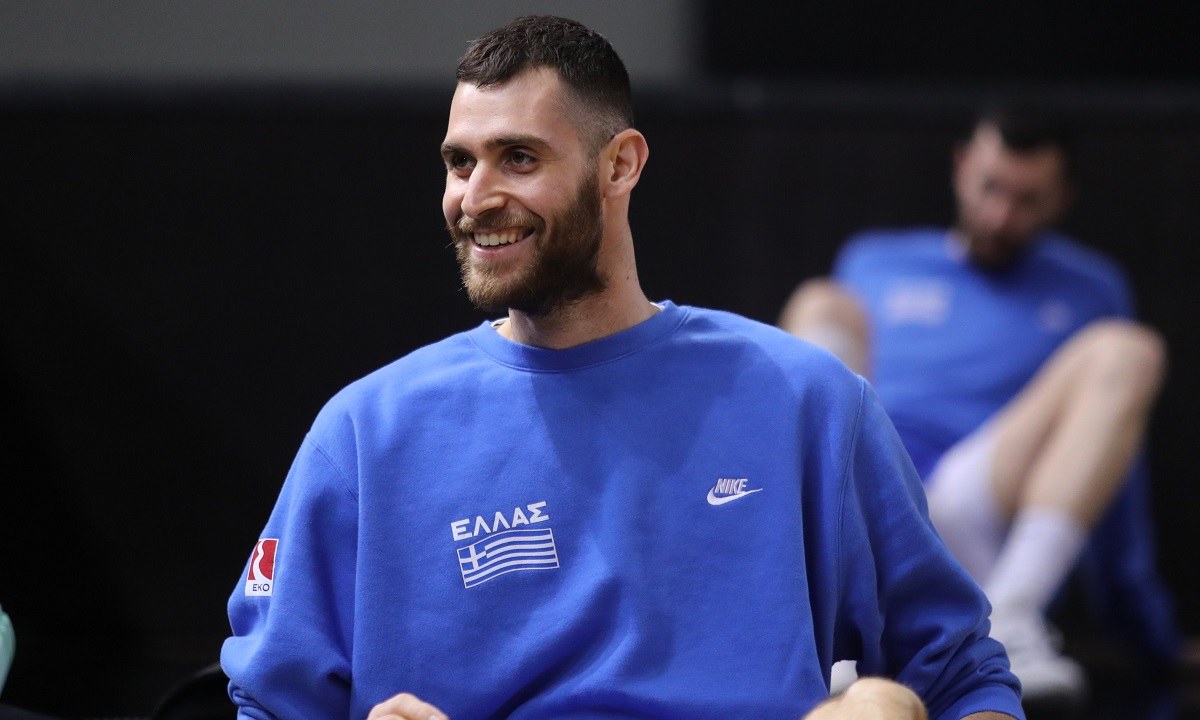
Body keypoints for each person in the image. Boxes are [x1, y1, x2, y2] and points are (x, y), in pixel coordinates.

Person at [221, 15, 1023, 720]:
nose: (475, 197)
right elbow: (270, 703)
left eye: (518, 158)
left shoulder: (808, 402)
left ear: (620, 166)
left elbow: (960, 674)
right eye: (460, 163)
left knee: (879, 707)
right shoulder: (365, 435)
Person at [778, 104, 1182, 706]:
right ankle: (823, 620)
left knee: (1127, 352)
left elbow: (1114, 468)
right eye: (992, 188)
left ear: (1063, 199)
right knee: (820, 303)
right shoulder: (875, 261)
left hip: (982, 504)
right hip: (875, 502)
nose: (1000, 216)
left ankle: (1009, 622)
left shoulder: (1091, 287)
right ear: (962, 166)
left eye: (1028, 200)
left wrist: (1154, 641)